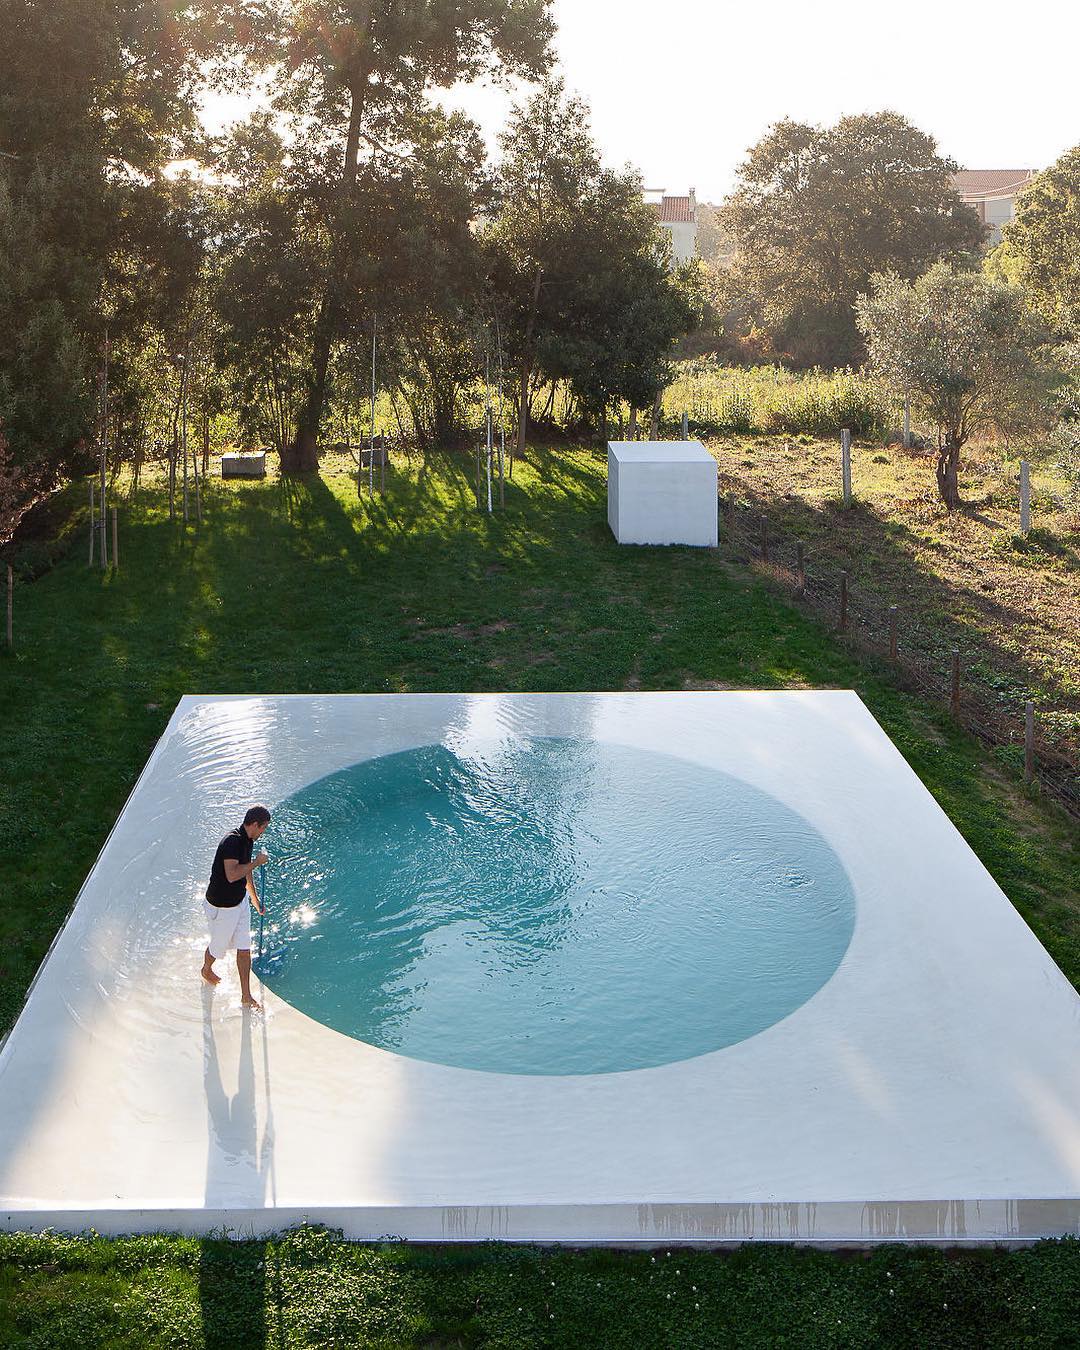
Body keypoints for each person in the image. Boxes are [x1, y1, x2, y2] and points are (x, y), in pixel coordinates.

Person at [201, 805, 271, 1008]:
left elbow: (245, 872)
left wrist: (255, 900)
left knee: (244, 947)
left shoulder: (248, 840)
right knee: (217, 947)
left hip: (239, 902)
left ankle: (246, 996)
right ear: (255, 824)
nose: (263, 832)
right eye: (263, 828)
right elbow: (232, 874)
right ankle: (206, 969)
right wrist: (257, 862)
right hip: (222, 906)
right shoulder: (232, 841)